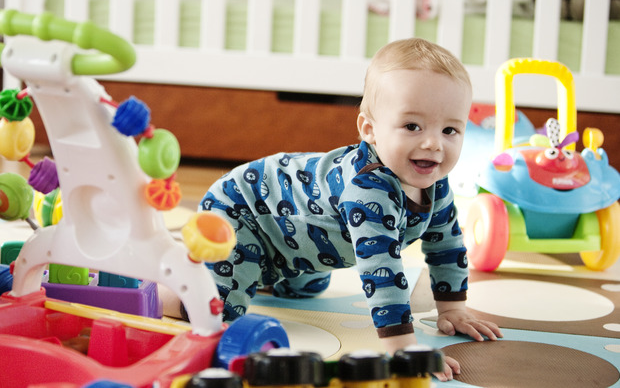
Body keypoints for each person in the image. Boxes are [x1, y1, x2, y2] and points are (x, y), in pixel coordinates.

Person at [164, 37, 502, 381]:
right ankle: (162, 294)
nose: (433, 144)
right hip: (244, 210)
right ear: (369, 129)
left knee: (307, 287)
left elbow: (446, 244)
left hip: (296, 239)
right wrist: (404, 350)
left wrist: (452, 308)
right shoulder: (368, 190)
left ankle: (262, 274)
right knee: (217, 312)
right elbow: (382, 270)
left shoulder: (434, 182)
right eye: (412, 126)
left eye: (450, 130)